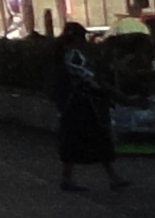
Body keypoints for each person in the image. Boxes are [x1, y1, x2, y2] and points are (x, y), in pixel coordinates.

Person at [50, 21, 120, 195]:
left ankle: (112, 177)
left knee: (78, 140)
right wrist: (106, 90)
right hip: (79, 104)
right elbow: (87, 77)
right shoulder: (73, 55)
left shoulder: (66, 55)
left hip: (75, 104)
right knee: (92, 138)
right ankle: (111, 177)